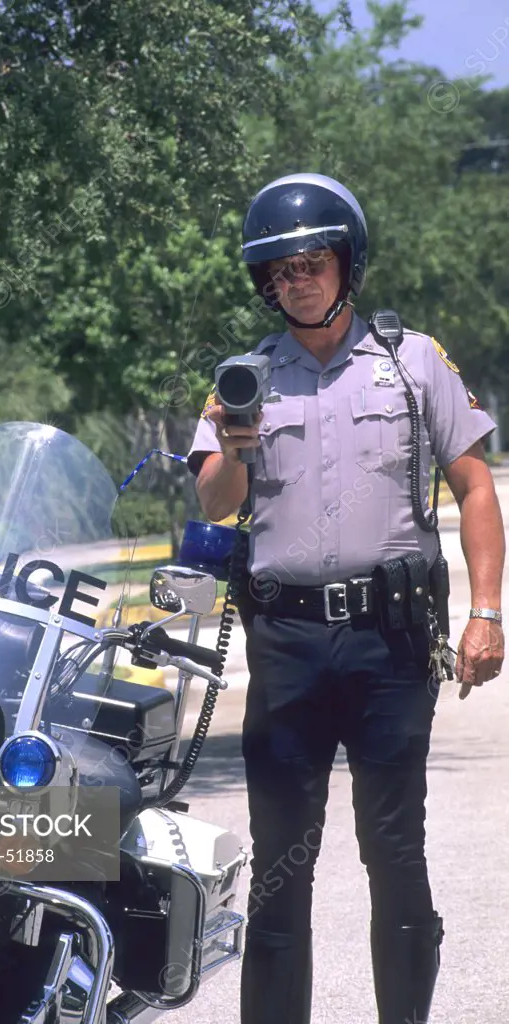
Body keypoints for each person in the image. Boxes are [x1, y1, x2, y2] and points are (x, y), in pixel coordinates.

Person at [185, 173, 505, 1024]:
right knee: (282, 860)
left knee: (395, 852)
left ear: (346, 263)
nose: (297, 280)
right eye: (280, 270)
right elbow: (214, 506)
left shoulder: (414, 362)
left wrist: (485, 613)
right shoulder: (242, 379)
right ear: (265, 283)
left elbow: (475, 487)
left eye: (312, 261)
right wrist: (235, 443)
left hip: (390, 645)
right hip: (286, 646)